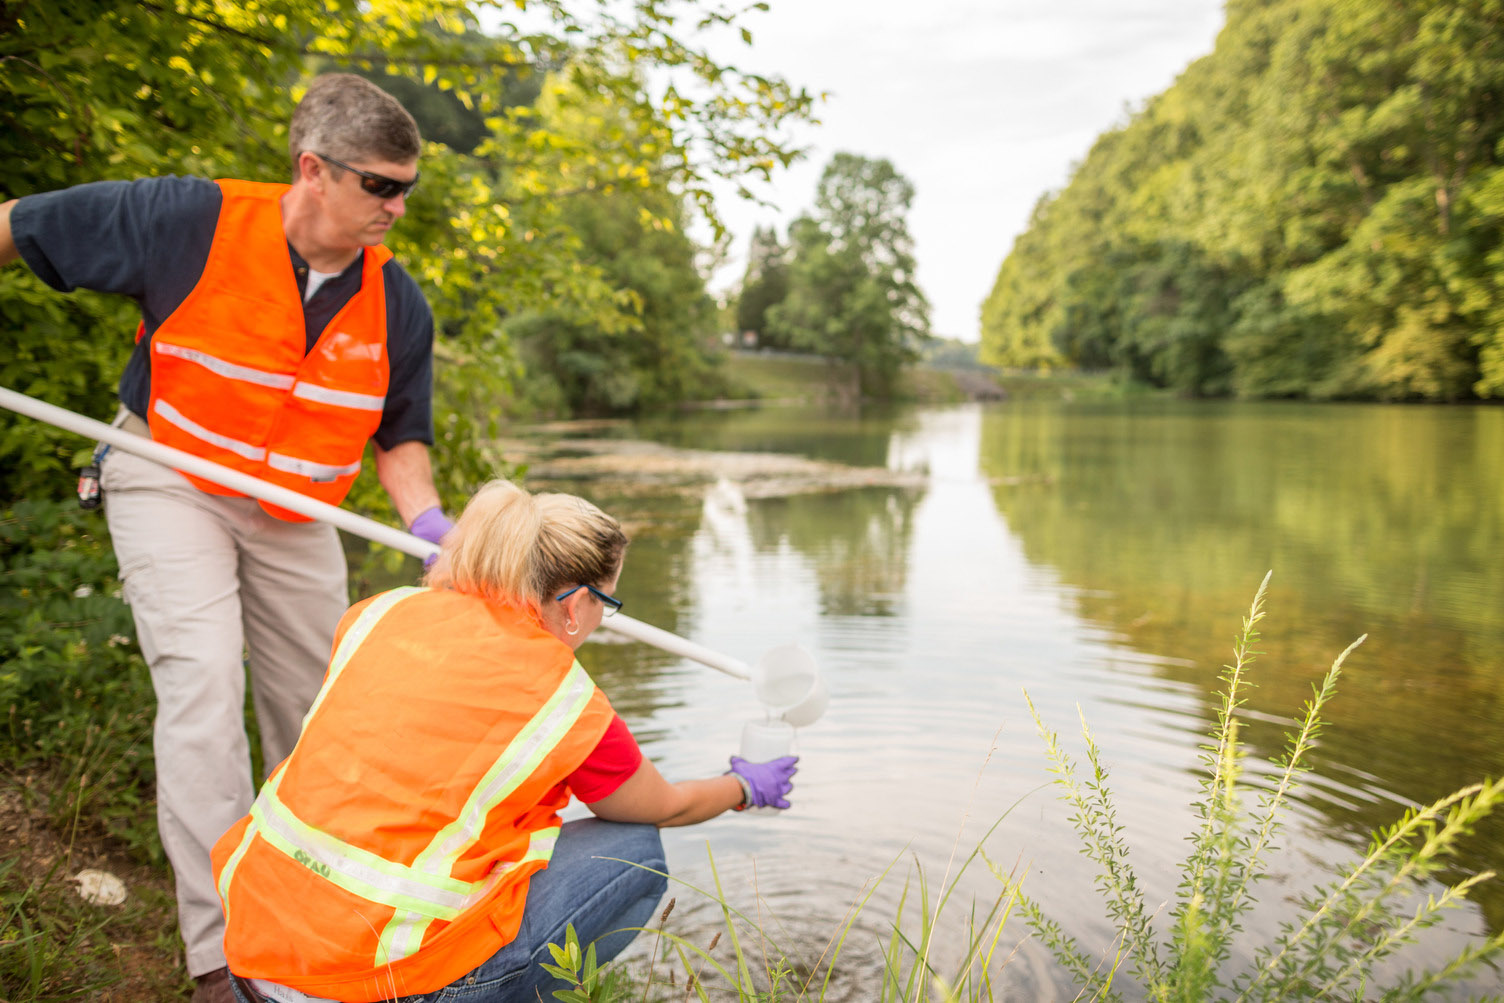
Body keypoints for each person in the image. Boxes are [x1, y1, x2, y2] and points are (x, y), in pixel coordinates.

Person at [0, 75, 456, 1002]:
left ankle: (316, 926)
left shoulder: (396, 303)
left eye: (406, 188)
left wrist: (430, 526)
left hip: (297, 515)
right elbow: (18, 223)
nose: (396, 207)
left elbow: (400, 435)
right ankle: (224, 957)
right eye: (379, 185)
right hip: (169, 474)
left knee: (319, 719)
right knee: (204, 684)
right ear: (313, 171)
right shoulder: (185, 219)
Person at [210, 480, 799, 1003]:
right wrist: (743, 786)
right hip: (370, 984)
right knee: (635, 847)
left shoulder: (382, 611)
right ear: (575, 605)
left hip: (252, 953)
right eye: (607, 605)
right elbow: (663, 806)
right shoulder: (564, 698)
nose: (601, 621)